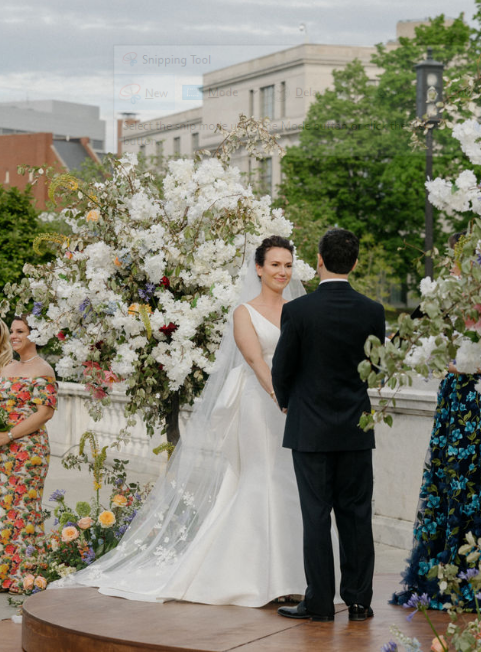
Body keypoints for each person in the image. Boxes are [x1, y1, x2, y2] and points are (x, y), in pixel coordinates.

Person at [51, 236, 341, 607]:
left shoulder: (299, 309)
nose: (282, 272)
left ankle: (297, 578)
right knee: (262, 476)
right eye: (275, 265)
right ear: (258, 268)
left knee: (292, 483)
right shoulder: (244, 312)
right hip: (260, 404)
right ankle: (254, 577)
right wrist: (281, 399)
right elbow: (255, 362)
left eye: (288, 265)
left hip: (297, 409)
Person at [272, 228, 385, 622]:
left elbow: (281, 368)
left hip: (310, 428)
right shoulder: (373, 310)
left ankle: (319, 602)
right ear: (354, 263)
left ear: (319, 259)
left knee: (316, 516)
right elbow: (376, 370)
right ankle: (358, 601)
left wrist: (288, 403)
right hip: (357, 426)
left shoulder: (298, 310)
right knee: (356, 515)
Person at [392, 231, 481, 610]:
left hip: (472, 400)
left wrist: (463, 364)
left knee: (469, 484)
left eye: (461, 264)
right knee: (451, 484)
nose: (456, 271)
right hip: (457, 401)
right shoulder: (450, 302)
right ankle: (451, 571)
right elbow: (406, 341)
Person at [0, 315, 57, 593]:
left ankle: (26, 575)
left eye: (20, 331)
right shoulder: (6, 366)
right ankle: (3, 575)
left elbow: (45, 412)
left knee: (22, 508)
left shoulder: (43, 368)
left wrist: (9, 435)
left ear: (35, 335)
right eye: (12, 331)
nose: (14, 336)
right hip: (1, 447)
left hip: (27, 449)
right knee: (3, 511)